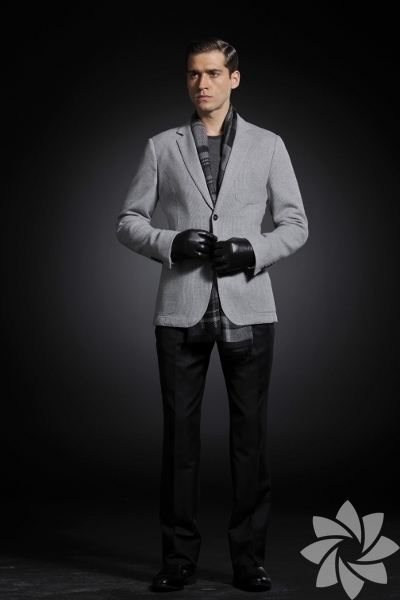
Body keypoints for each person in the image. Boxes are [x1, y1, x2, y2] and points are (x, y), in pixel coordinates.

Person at [116, 36, 308, 593]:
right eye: (194, 74)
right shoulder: (161, 146)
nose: (202, 83)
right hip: (181, 310)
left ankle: (248, 560)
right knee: (180, 441)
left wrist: (253, 251)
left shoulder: (269, 145)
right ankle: (178, 559)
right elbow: (128, 221)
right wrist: (171, 242)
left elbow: (295, 224)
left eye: (214, 73)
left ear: (234, 78)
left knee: (250, 441)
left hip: (248, 307)